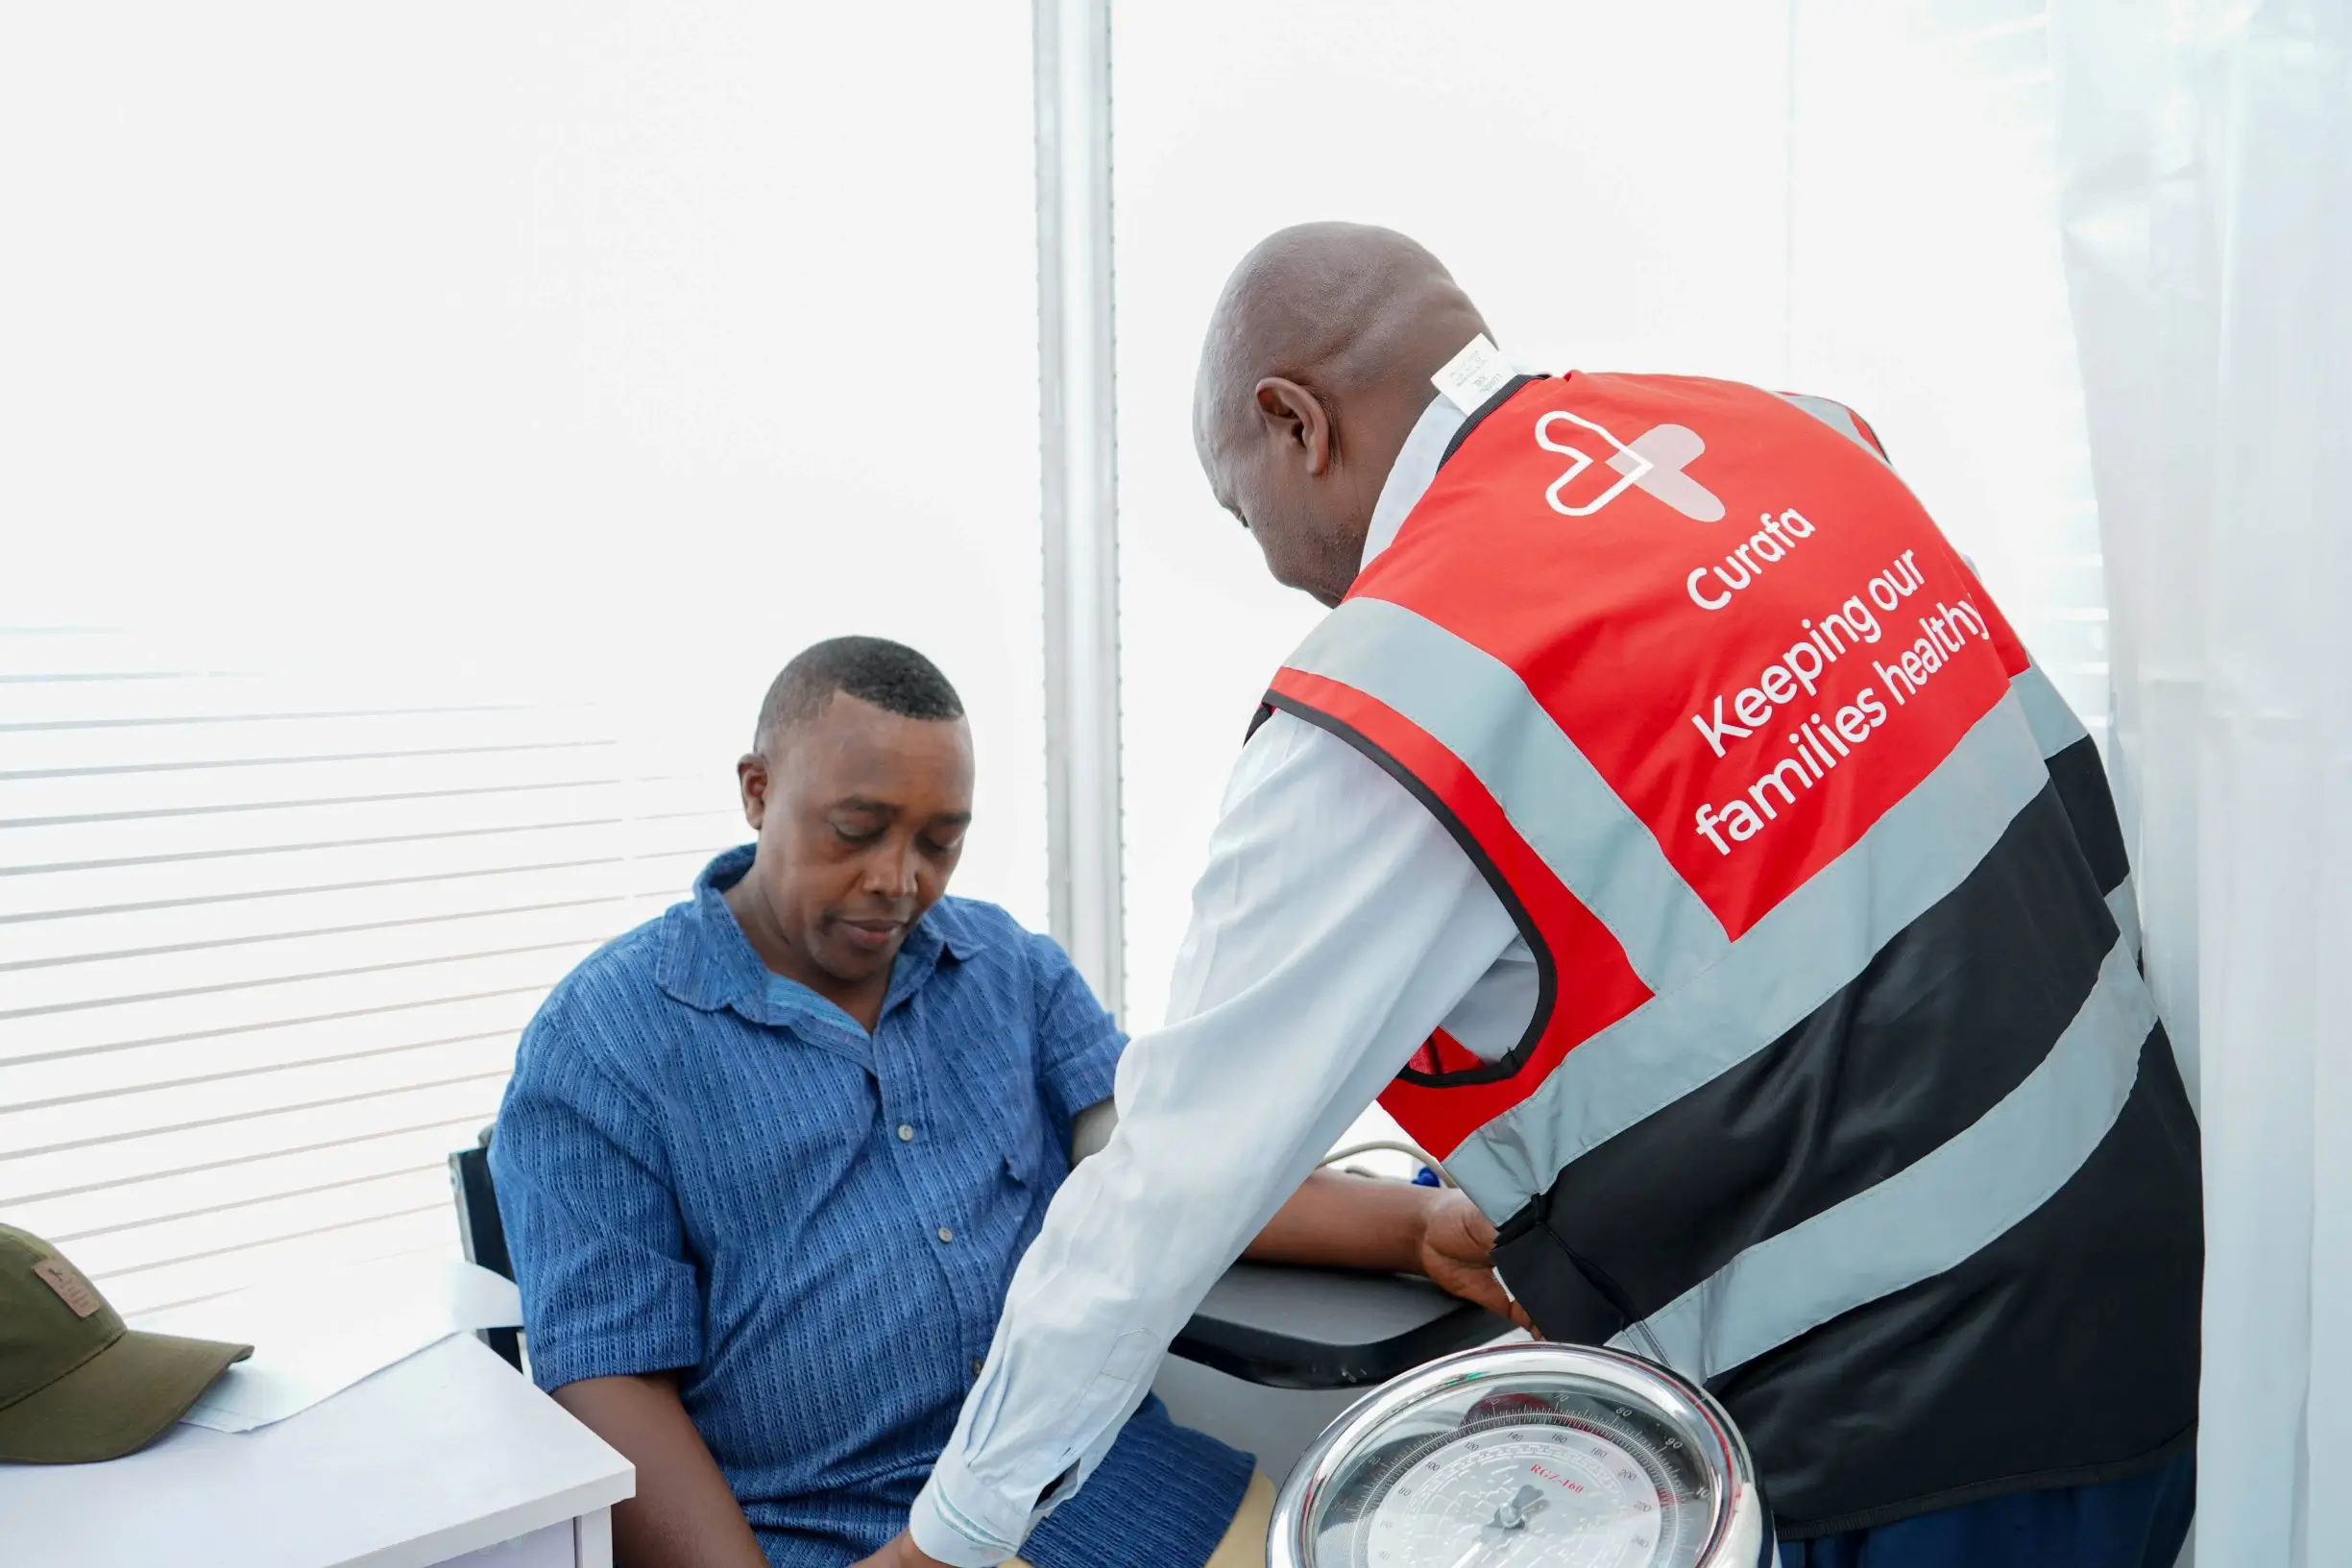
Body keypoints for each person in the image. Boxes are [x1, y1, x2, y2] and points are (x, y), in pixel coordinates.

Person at [861, 226, 2202, 1568]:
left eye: (1238, 508)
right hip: (2155, 1282)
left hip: (1916, 1415)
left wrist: (950, 1538)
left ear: (1295, 424)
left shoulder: (1402, 694)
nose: (1266, 560)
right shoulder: (1794, 440)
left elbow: (1166, 1186)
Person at [491, 635, 1511, 1568]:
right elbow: (610, 1382)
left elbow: (1167, 1169)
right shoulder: (604, 1040)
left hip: (1108, 1487)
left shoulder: (1006, 967)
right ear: (758, 792)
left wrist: (1415, 1227)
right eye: (857, 831)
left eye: (940, 841)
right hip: (832, 1530)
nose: (899, 879)